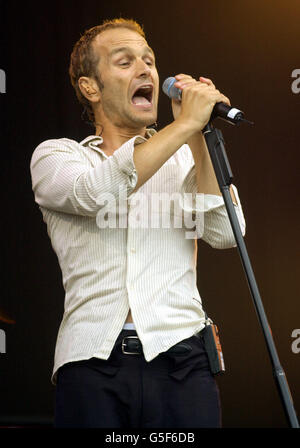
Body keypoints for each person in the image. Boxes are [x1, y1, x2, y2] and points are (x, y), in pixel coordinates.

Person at [30, 18, 246, 428]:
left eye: (149, 60)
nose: (145, 69)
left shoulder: (183, 155)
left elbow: (225, 234)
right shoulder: (57, 156)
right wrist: (183, 126)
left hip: (182, 359)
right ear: (90, 86)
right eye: (124, 62)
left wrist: (196, 136)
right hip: (93, 363)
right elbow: (96, 194)